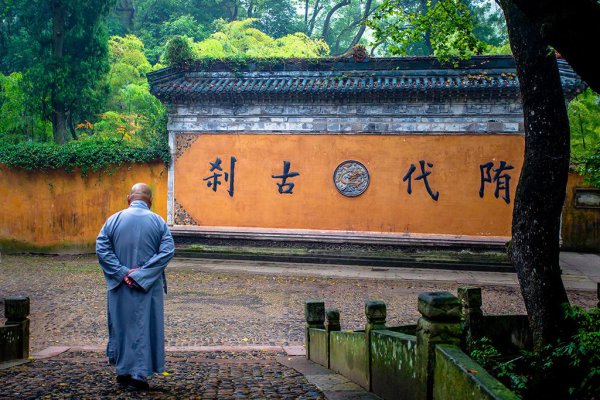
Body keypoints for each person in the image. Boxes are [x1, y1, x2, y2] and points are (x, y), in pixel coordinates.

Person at [96, 183, 175, 390]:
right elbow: (167, 251)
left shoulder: (113, 220)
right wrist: (141, 275)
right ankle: (139, 375)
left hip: (120, 285)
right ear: (150, 201)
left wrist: (122, 273)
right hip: (147, 287)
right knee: (144, 327)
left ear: (128, 198)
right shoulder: (158, 222)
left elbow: (102, 248)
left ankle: (122, 372)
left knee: (122, 326)